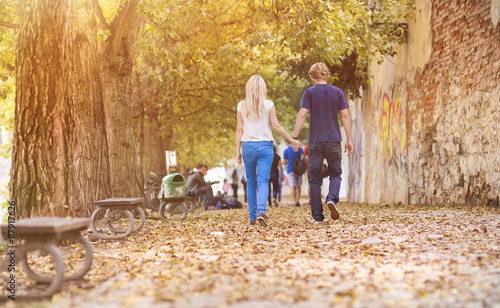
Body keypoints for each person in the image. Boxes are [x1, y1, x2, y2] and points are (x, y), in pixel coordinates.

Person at [236, 75, 300, 227]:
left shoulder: (241, 105)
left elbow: (239, 129)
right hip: (265, 147)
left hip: (248, 147)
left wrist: (237, 150)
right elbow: (276, 127)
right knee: (263, 181)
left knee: (251, 181)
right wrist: (292, 140)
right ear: (263, 88)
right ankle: (261, 212)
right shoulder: (269, 104)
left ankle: (252, 218)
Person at [293, 62, 353, 223]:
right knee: (335, 174)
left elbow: (302, 114)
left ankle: (317, 217)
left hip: (315, 142)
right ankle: (332, 198)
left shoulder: (309, 92)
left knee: (314, 178)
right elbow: (346, 116)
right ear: (326, 74)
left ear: (312, 76)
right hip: (333, 140)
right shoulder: (338, 92)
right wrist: (349, 139)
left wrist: (295, 137)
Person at [283, 140, 305, 207]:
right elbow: (303, 156)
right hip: (299, 169)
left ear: (287, 142)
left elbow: (284, 162)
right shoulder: (299, 148)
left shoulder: (286, 150)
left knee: (292, 185)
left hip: (290, 169)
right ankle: (298, 201)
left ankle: (294, 201)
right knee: (298, 185)